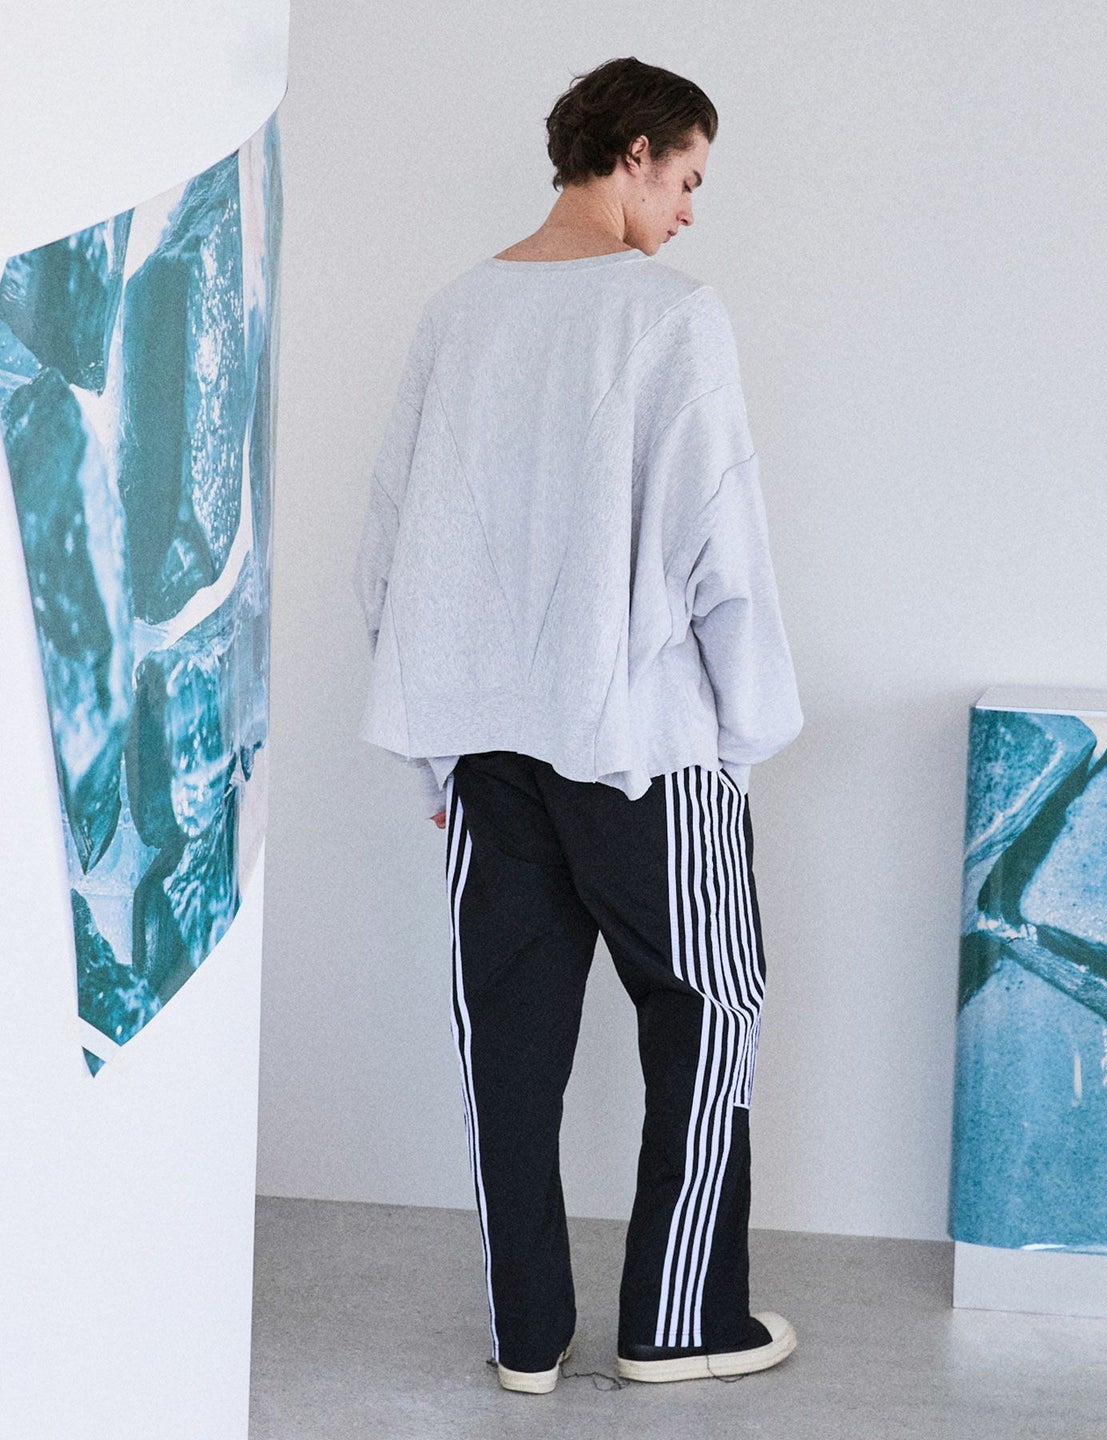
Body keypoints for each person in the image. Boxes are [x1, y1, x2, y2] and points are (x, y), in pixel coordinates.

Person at [353, 55, 804, 1394]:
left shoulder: (457, 312)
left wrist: (436, 744)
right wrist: (746, 734)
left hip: (489, 751)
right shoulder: (673, 317)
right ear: (634, 152)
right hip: (643, 747)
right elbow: (723, 545)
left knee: (509, 1044)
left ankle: (526, 1339)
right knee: (710, 1012)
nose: (690, 211)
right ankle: (679, 1322)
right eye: (688, 178)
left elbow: (391, 548)